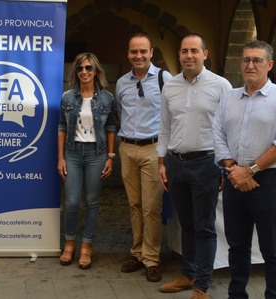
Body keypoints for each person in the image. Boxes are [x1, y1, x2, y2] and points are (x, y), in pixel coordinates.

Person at [213, 40, 276, 299]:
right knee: (237, 246)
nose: (250, 65)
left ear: (270, 64)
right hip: (234, 180)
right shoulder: (229, 97)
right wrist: (233, 169)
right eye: (246, 60)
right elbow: (217, 134)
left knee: (273, 249)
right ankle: (237, 294)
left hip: (269, 182)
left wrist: (250, 170)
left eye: (257, 60)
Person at [157, 34, 232, 299]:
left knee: (204, 226)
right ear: (179, 55)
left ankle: (202, 286)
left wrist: (225, 165)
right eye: (184, 51)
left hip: (206, 164)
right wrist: (162, 161)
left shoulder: (221, 86)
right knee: (185, 225)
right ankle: (187, 275)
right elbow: (165, 128)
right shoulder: (170, 86)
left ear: (205, 54)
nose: (189, 55)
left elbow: (227, 129)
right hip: (176, 163)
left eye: (194, 51)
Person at [115, 32, 171, 282]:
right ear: (128, 54)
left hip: (153, 148)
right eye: (133, 51)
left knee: (152, 208)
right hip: (127, 148)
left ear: (151, 53)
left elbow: (172, 115)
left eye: (143, 51)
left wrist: (164, 154)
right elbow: (120, 112)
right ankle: (136, 253)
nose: (138, 56)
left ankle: (151, 258)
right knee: (134, 205)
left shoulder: (164, 78)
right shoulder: (121, 83)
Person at [57, 52, 117, 270]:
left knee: (92, 201)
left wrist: (110, 156)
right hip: (72, 153)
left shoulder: (107, 98)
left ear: (96, 71)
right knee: (72, 202)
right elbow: (62, 127)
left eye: (88, 68)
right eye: (80, 68)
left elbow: (111, 128)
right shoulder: (67, 97)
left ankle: (87, 246)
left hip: (97, 154)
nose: (84, 72)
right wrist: (61, 157)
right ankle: (69, 243)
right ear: (75, 72)